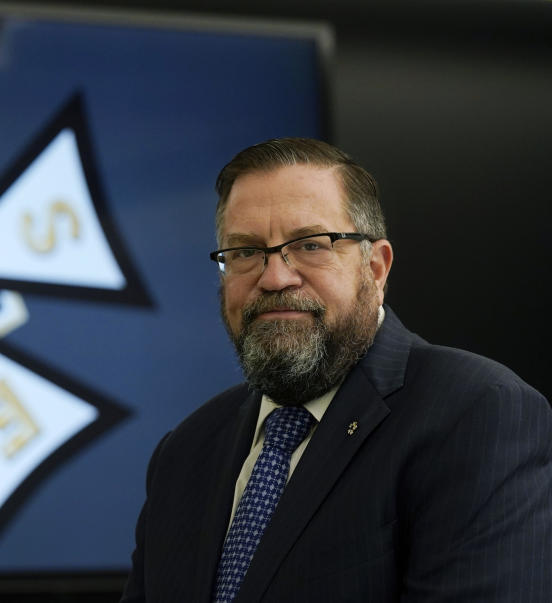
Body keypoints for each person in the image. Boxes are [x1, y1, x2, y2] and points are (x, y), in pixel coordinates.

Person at [121, 138, 552, 602]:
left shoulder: (478, 413)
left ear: (377, 268)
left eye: (309, 244)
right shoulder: (184, 453)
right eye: (245, 252)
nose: (274, 278)